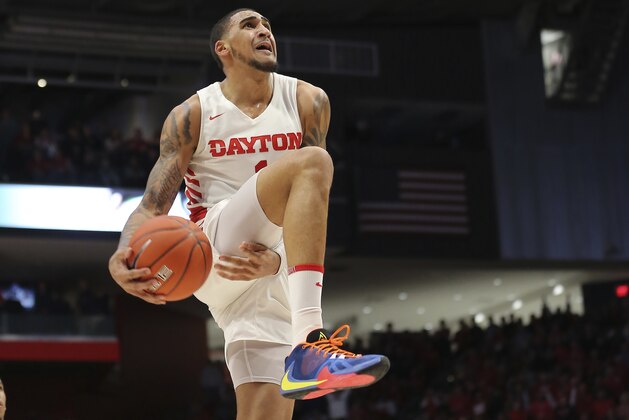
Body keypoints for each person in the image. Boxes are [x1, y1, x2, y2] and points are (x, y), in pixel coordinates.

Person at [108, 8, 389, 419]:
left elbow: (312, 212)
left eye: (268, 26)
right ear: (223, 49)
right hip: (213, 251)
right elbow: (153, 205)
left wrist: (277, 261)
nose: (264, 31)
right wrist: (122, 253)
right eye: (250, 25)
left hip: (272, 272)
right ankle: (311, 338)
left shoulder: (308, 101)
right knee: (312, 162)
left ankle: (303, 349)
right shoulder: (194, 114)